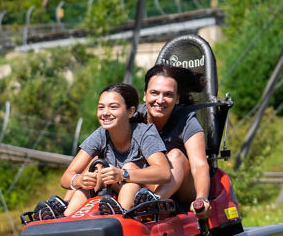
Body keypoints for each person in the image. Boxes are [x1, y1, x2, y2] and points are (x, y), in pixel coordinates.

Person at [33, 82, 171, 220]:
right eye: (101, 107)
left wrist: (123, 174)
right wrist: (80, 180)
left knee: (129, 168)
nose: (105, 113)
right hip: (115, 188)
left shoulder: (144, 132)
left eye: (113, 107)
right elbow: (65, 178)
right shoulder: (100, 135)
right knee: (93, 174)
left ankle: (121, 215)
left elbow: (164, 172)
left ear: (130, 111)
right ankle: (65, 217)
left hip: (144, 190)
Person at [135, 64, 211, 218]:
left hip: (182, 188)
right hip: (149, 183)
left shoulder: (187, 120)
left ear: (177, 99)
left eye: (168, 94)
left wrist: (202, 198)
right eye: (154, 93)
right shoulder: (134, 117)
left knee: (175, 155)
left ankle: (153, 204)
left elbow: (199, 164)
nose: (160, 100)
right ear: (144, 95)